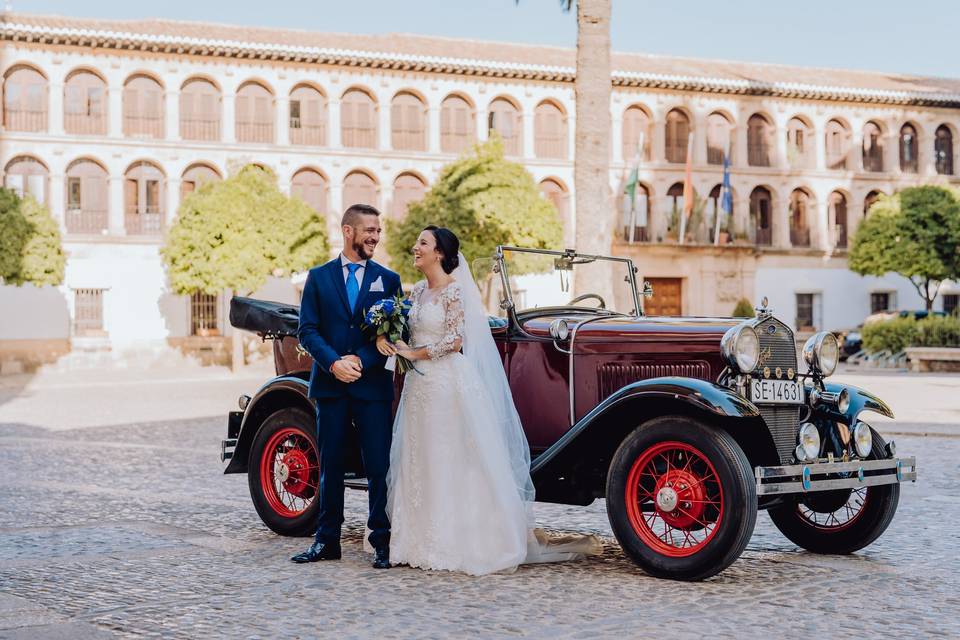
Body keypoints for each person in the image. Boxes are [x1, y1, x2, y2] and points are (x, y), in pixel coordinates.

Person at [379, 226, 601, 575]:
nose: (415, 247)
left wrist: (414, 353)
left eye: (422, 243)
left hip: (446, 382)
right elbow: (406, 328)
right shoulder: (418, 290)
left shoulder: (454, 292)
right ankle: (413, 540)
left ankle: (455, 540)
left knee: (449, 456)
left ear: (439, 253)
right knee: (418, 455)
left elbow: (453, 340)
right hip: (418, 387)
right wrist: (387, 335)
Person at [291, 204, 402, 569]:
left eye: (378, 231)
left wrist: (361, 361)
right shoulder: (319, 278)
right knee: (331, 465)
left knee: (378, 466)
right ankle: (326, 541)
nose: (375, 236)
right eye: (369, 229)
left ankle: (381, 542)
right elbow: (307, 329)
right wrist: (334, 363)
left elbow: (395, 331)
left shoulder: (389, 279)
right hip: (331, 386)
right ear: (348, 231)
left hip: (372, 388)